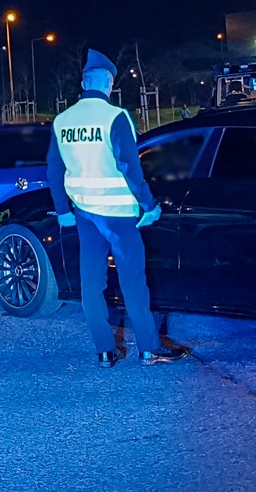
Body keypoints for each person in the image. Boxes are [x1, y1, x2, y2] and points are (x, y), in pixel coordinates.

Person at [47, 49, 191, 368]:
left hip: (84, 214)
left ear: (84, 81)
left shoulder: (62, 121)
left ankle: (104, 350)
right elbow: (129, 167)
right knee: (133, 282)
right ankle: (149, 348)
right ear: (108, 82)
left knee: (92, 282)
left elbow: (54, 171)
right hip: (119, 216)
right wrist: (148, 205)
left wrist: (63, 211)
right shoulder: (116, 117)